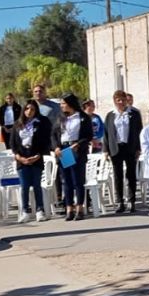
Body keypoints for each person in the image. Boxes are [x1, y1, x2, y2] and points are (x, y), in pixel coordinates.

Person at [10, 100, 52, 223]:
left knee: (37, 185)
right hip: (22, 160)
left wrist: (38, 156)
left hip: (36, 159)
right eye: (27, 109)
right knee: (24, 186)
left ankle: (40, 210)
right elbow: (13, 143)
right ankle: (25, 211)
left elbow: (45, 143)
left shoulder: (40, 123)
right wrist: (19, 157)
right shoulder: (17, 124)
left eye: (32, 109)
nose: (29, 111)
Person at [53, 93, 93, 221]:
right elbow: (53, 135)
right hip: (64, 150)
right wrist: (56, 147)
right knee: (67, 181)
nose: (62, 106)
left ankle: (80, 207)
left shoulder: (82, 117)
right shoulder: (60, 118)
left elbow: (88, 135)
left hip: (76, 149)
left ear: (70, 104)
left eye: (64, 103)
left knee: (78, 180)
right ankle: (69, 207)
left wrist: (78, 144)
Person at [103, 90, 143, 213]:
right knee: (117, 175)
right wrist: (106, 150)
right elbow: (106, 134)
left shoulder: (133, 114)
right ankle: (120, 202)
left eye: (123, 100)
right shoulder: (110, 115)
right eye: (118, 100)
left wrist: (138, 148)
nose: (121, 102)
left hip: (130, 147)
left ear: (126, 100)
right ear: (115, 101)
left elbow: (139, 132)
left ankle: (131, 201)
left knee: (131, 175)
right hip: (116, 148)